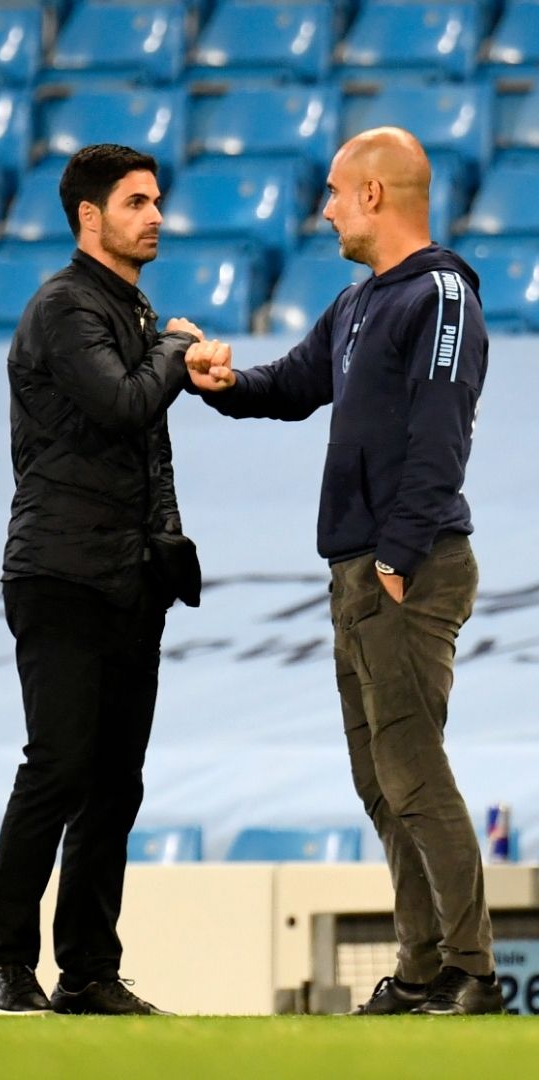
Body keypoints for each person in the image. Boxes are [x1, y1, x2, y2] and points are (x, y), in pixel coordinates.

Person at [185, 127, 501, 1016]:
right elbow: (292, 386)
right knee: (381, 782)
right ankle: (422, 967)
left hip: (408, 567)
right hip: (357, 568)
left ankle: (473, 971)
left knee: (413, 772)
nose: (323, 209)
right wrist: (224, 383)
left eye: (332, 191)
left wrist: (399, 551)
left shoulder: (440, 294)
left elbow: (443, 430)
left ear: (373, 194)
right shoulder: (358, 302)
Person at [0, 144, 203, 1018]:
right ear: (89, 216)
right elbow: (122, 404)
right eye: (137, 202)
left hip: (128, 576)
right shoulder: (66, 306)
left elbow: (147, 444)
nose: (157, 216)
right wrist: (176, 349)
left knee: (115, 782)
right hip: (60, 569)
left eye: (157, 200)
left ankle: (89, 972)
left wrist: (165, 544)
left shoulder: (127, 308)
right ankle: (5, 962)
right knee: (60, 767)